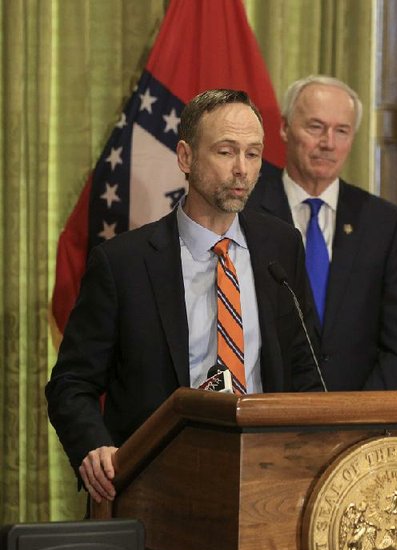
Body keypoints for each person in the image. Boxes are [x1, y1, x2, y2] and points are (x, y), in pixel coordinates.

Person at [46, 89, 323, 504]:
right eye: (226, 152)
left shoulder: (280, 247)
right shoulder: (123, 263)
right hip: (157, 486)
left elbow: (306, 369)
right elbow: (71, 384)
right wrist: (94, 448)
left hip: (266, 481)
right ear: (186, 157)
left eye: (253, 154)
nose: (242, 170)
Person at [245, 75, 397, 391]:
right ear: (284, 128)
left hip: (359, 419)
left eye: (342, 131)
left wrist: (357, 418)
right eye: (315, 127)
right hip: (268, 414)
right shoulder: (246, 214)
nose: (328, 143)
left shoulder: (384, 223)